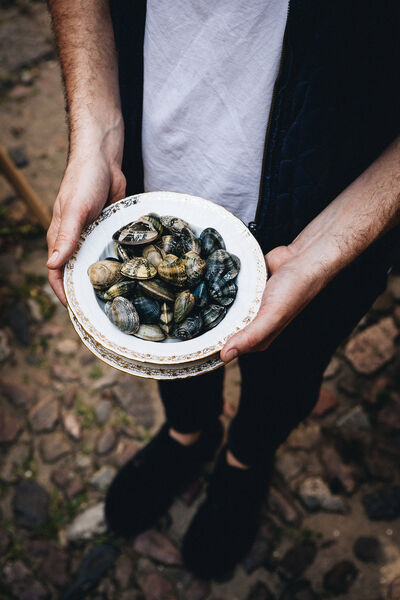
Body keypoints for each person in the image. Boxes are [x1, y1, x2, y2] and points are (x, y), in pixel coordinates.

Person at [46, 0, 400, 579]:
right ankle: (190, 434)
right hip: (152, 151)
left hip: (335, 195)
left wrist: (329, 246)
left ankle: (245, 462)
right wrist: (95, 130)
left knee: (292, 362)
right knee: (169, 343)